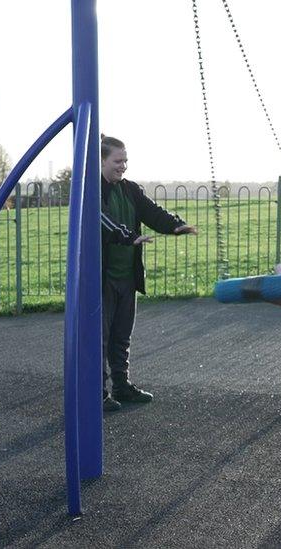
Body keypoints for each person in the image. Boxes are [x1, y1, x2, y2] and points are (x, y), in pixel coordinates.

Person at [99, 135, 197, 412]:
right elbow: (103, 220)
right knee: (100, 338)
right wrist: (128, 236)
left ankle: (121, 385)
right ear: (102, 161)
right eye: (118, 161)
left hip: (126, 276)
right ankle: (97, 393)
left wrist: (176, 225)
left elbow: (152, 212)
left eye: (126, 160)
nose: (123, 166)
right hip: (103, 276)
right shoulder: (92, 189)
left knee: (121, 335)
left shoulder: (130, 190)